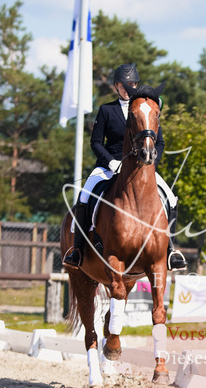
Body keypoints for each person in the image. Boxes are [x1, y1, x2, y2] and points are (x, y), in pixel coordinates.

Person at [63, 63, 186, 270]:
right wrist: (110, 162)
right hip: (109, 166)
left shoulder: (145, 110)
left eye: (133, 84)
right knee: (84, 196)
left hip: (142, 168)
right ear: (116, 86)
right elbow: (96, 143)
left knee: (171, 199)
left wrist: (151, 165)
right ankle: (78, 250)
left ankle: (170, 250)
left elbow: (160, 143)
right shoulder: (107, 110)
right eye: (125, 85)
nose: (129, 89)